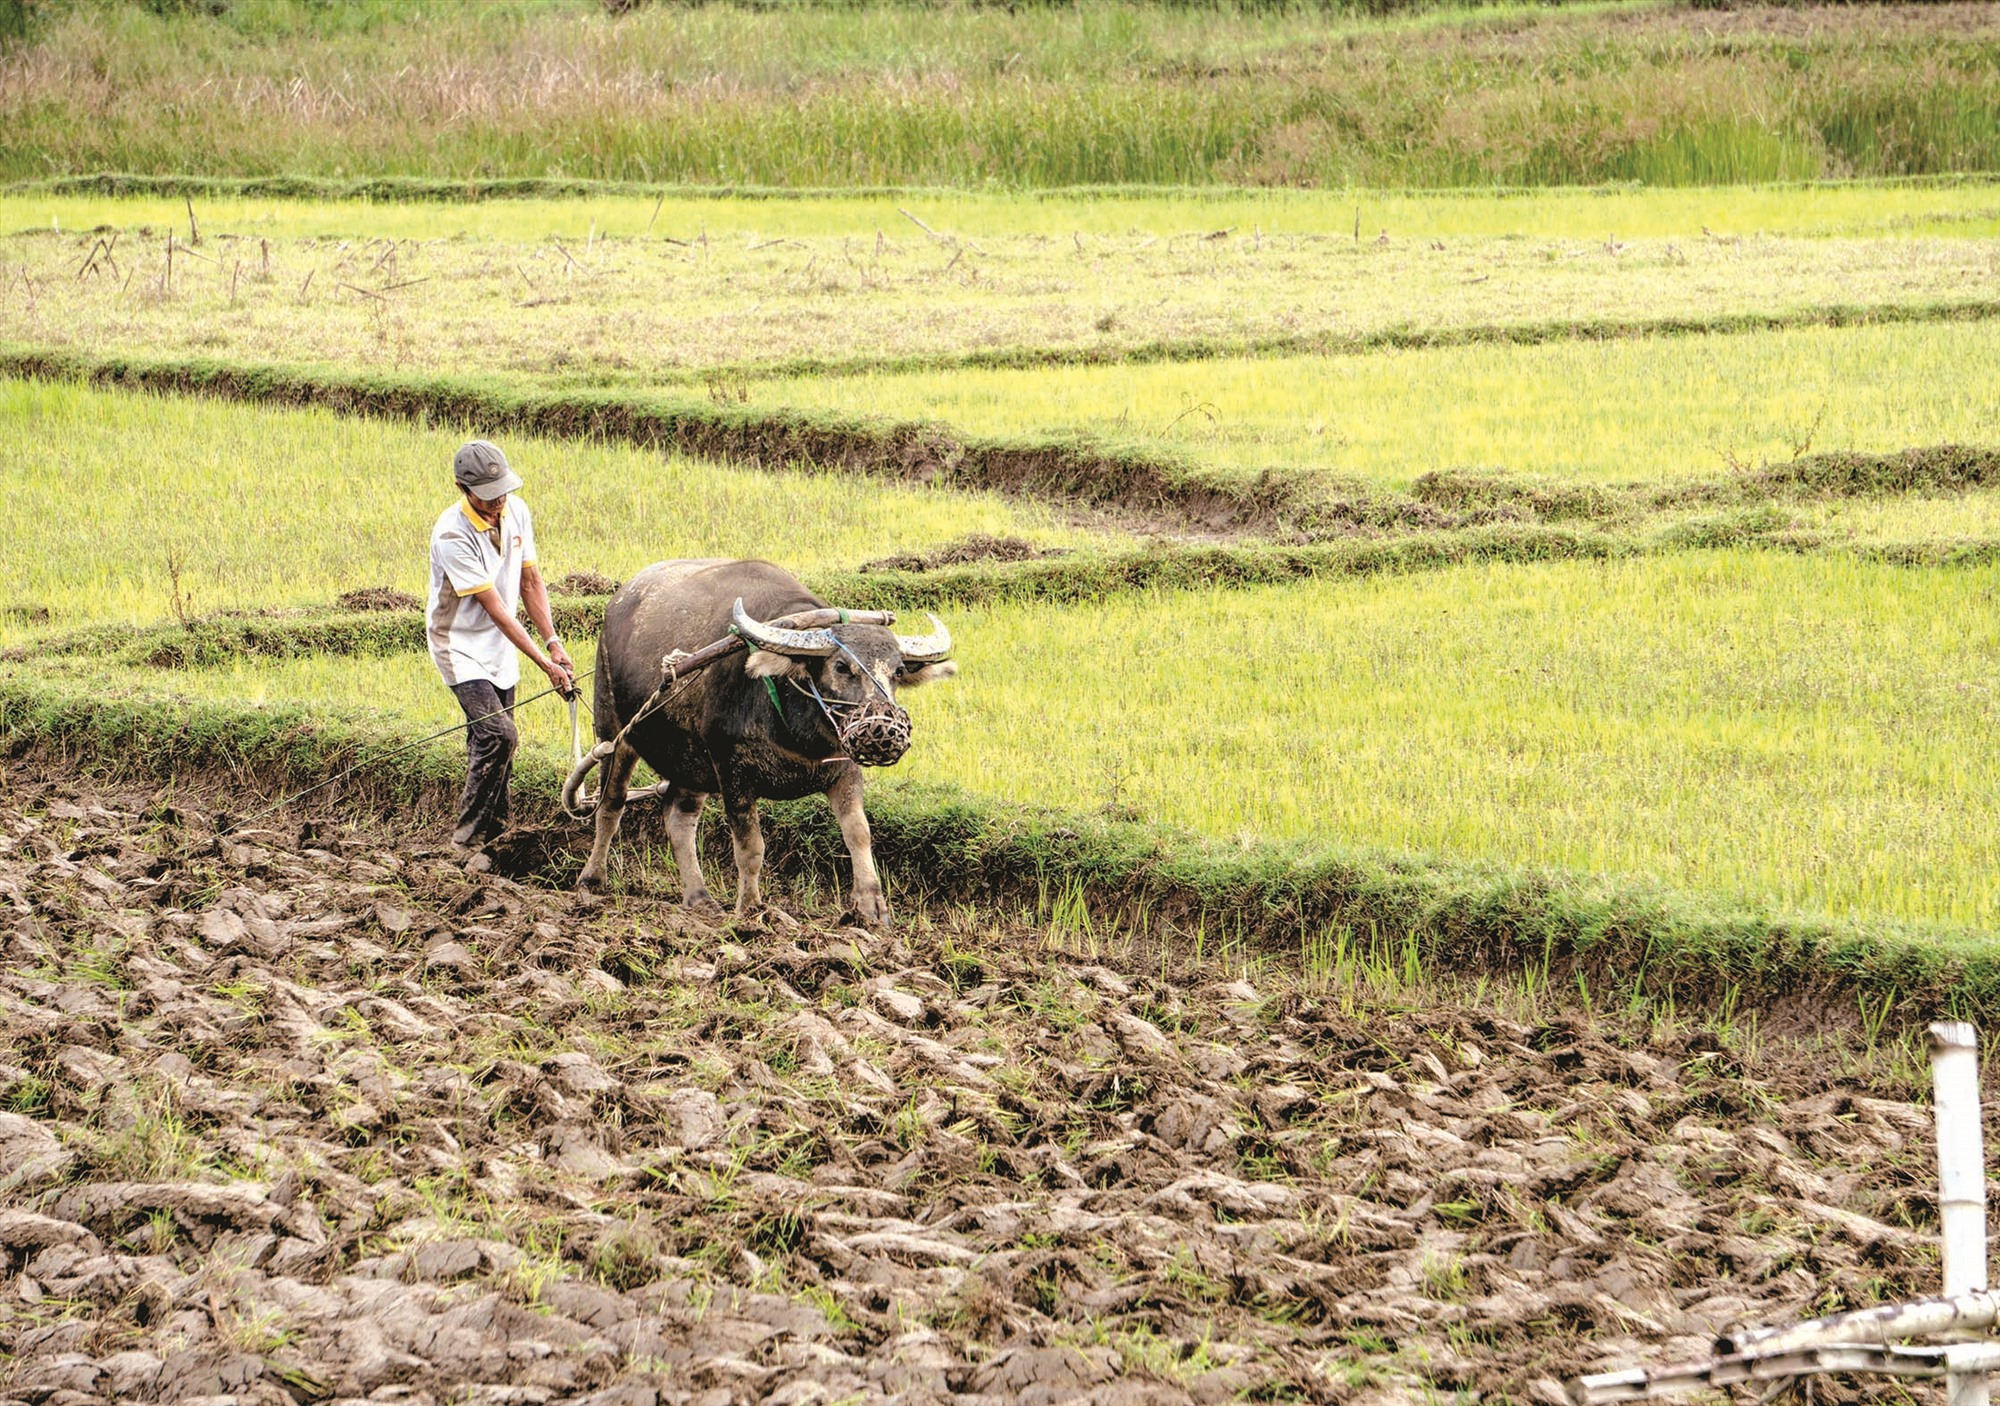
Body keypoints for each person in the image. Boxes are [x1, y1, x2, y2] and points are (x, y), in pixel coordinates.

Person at [425, 440, 574, 870]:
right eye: (488, 495)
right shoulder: (452, 533)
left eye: (502, 490)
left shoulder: (517, 511)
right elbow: (496, 611)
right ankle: (465, 841)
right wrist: (544, 665)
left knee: (492, 741)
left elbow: (530, 583)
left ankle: (500, 834)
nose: (498, 501)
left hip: (501, 646)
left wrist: (553, 642)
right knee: (498, 736)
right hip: (460, 644)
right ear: (463, 488)